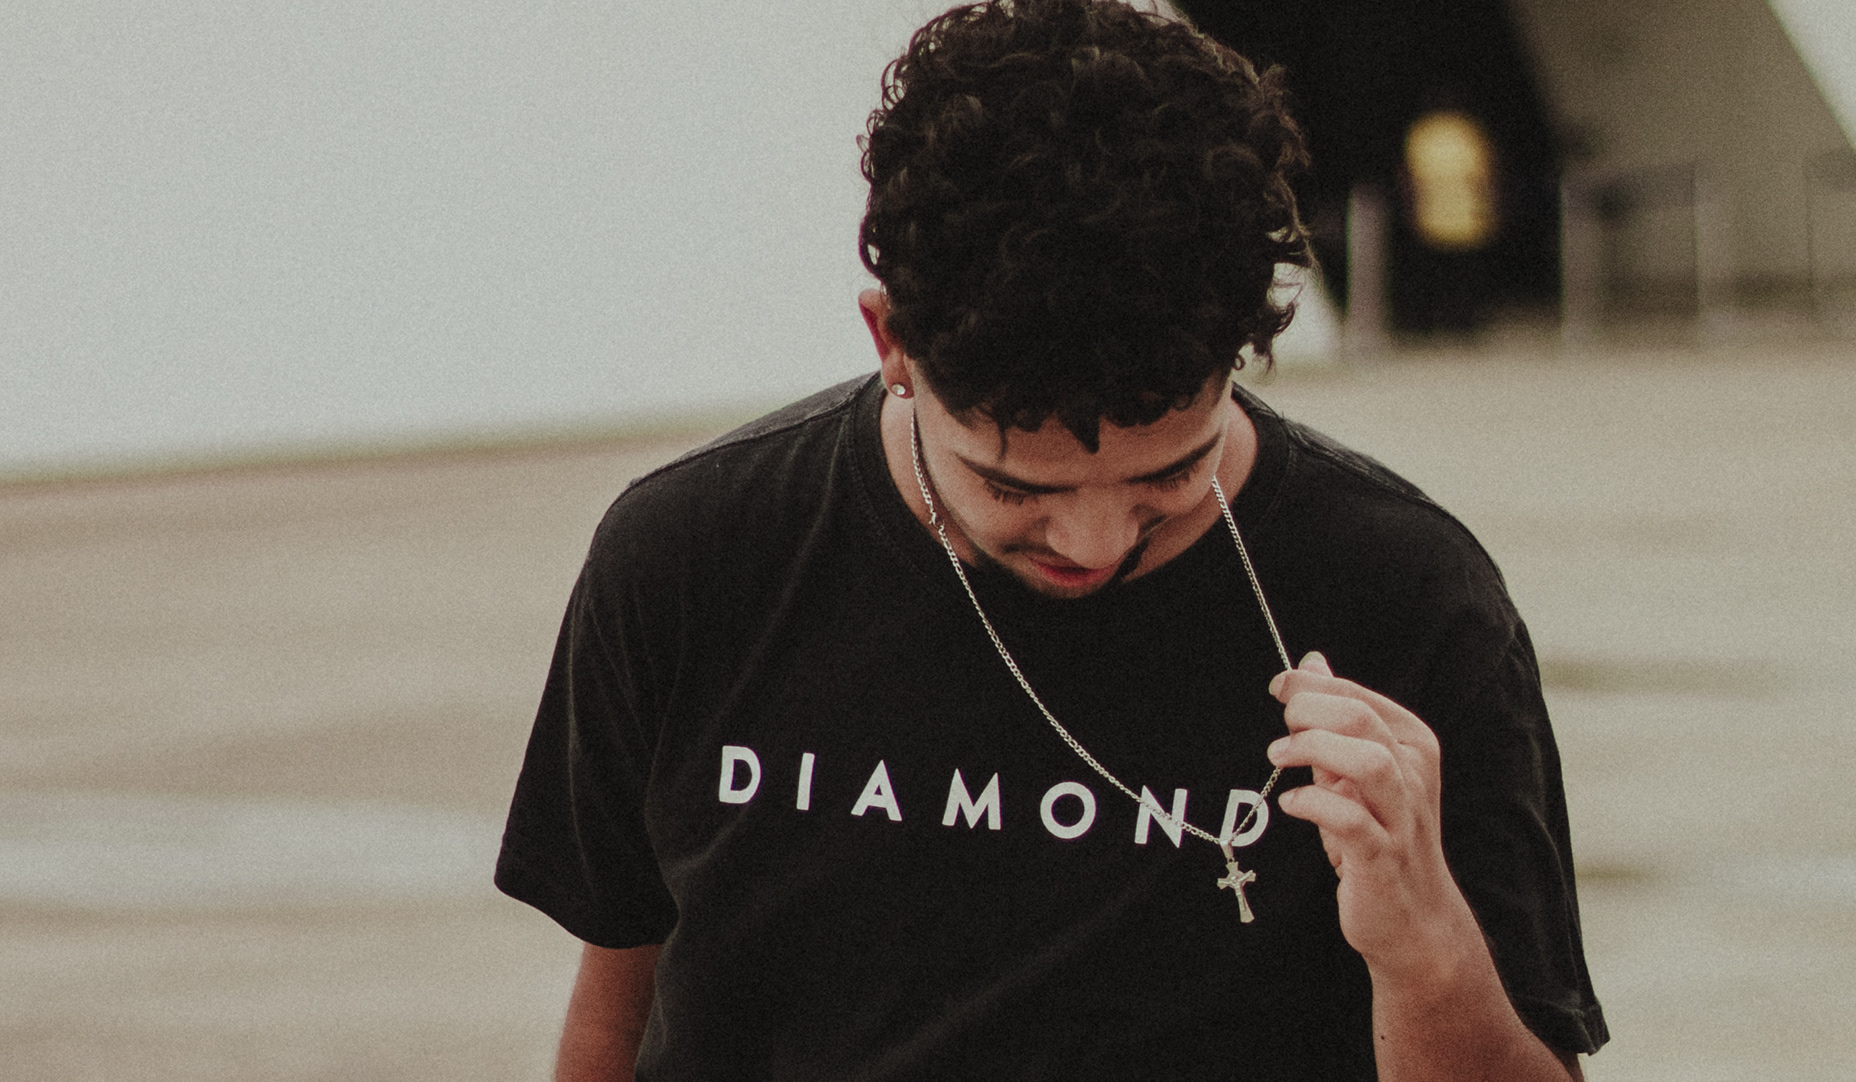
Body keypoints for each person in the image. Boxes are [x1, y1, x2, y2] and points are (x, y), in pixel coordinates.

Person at [495, 1, 1607, 1078]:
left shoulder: (1401, 597)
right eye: (1012, 484)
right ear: (892, 340)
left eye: (1169, 473)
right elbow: (615, 1002)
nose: (1094, 538)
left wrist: (1425, 945)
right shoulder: (694, 557)